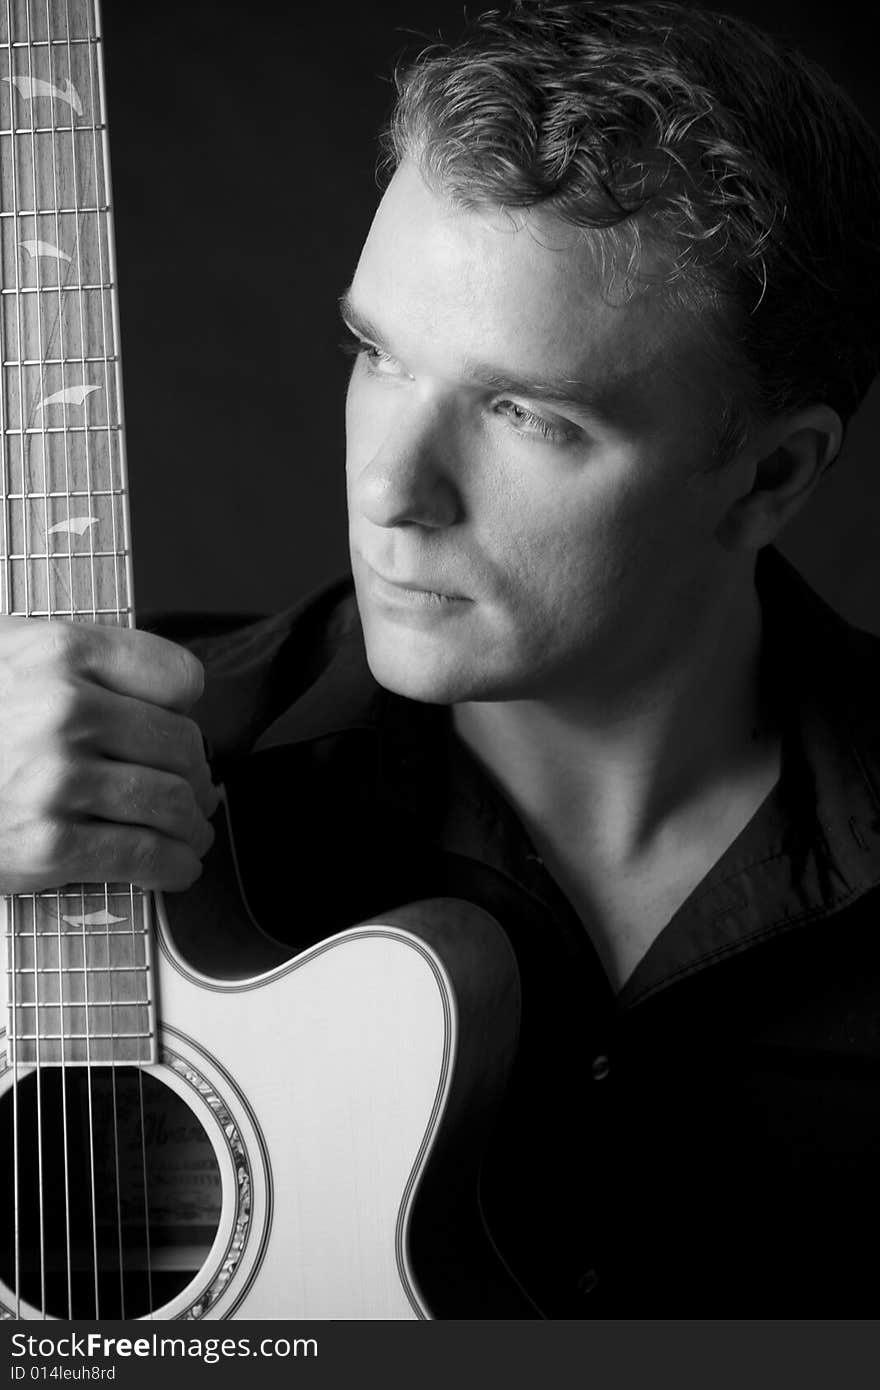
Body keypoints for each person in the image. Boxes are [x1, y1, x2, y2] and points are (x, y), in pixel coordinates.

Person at [2, 0, 880, 1315]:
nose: (391, 487)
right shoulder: (120, 761)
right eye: (377, 354)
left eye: (525, 411)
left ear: (770, 475)